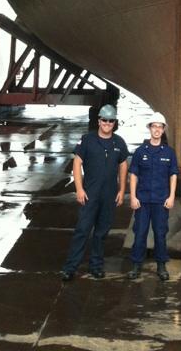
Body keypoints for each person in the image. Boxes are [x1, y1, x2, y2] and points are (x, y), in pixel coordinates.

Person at [61, 104, 128, 281]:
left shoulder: (119, 142)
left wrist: (122, 190)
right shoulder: (87, 140)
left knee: (101, 232)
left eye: (111, 121)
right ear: (99, 121)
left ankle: (96, 266)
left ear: (114, 123)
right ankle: (70, 267)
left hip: (109, 194)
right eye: (104, 120)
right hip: (90, 193)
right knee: (83, 230)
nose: (107, 123)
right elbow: (77, 163)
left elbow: (123, 165)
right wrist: (79, 189)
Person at [127, 111, 178, 281]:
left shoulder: (169, 153)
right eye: (154, 126)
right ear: (149, 128)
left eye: (159, 127)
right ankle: (136, 265)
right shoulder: (140, 151)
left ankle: (161, 266)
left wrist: (171, 196)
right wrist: (133, 197)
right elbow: (134, 175)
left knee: (160, 234)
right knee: (140, 233)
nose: (156, 130)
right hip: (142, 201)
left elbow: (173, 175)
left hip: (161, 201)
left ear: (163, 130)